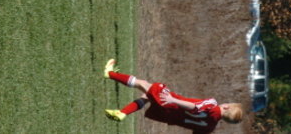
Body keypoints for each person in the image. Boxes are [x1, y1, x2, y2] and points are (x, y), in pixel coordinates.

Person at [102, 58, 243, 132]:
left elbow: (194, 107)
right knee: (146, 97)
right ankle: (122, 113)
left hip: (171, 104)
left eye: (228, 104)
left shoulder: (212, 104)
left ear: (226, 107)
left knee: (144, 84)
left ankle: (109, 73)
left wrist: (173, 100)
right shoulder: (209, 127)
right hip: (168, 116)